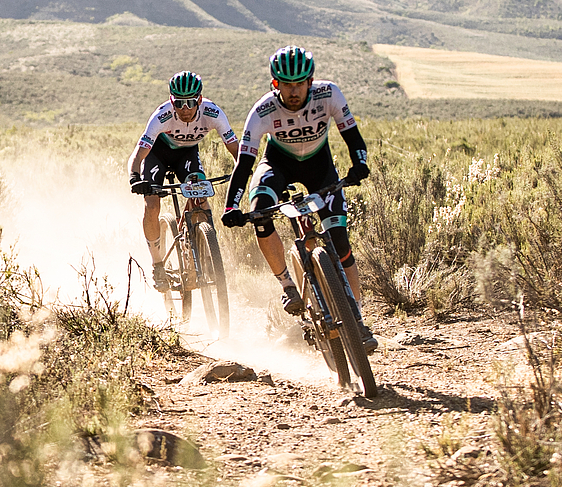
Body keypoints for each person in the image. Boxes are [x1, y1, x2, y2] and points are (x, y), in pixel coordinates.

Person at [219, 46, 378, 347]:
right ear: (275, 84)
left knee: (341, 242)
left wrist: (359, 163)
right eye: (286, 85)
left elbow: (352, 135)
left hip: (320, 167)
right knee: (260, 213)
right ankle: (286, 284)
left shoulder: (329, 94)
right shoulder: (262, 111)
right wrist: (231, 205)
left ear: (311, 81)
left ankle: (357, 319)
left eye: (300, 83)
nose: (294, 91)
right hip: (276, 165)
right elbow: (244, 165)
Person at [128, 71, 241, 291]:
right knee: (152, 204)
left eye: (191, 102)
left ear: (199, 99)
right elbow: (139, 153)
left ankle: (208, 249)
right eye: (180, 103)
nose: (186, 108)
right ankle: (158, 264)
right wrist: (135, 177)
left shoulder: (213, 112)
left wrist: (244, 169)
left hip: (186, 155)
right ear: (172, 101)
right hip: (157, 156)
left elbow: (235, 149)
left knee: (200, 196)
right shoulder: (161, 116)